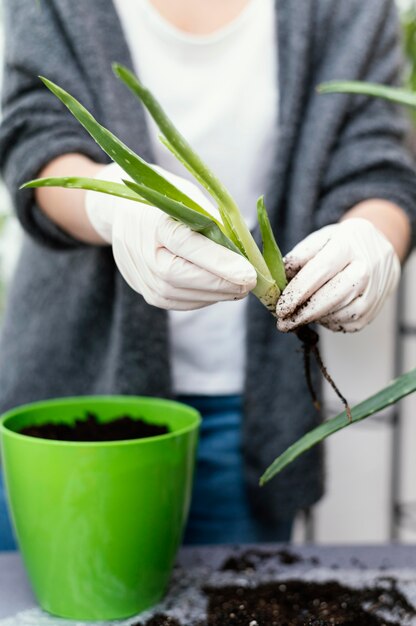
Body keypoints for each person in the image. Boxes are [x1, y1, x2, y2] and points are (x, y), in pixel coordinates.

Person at [0, 0, 414, 551]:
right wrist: (114, 205)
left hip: (249, 413)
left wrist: (373, 239)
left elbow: (375, 160)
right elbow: (34, 135)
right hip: (80, 387)